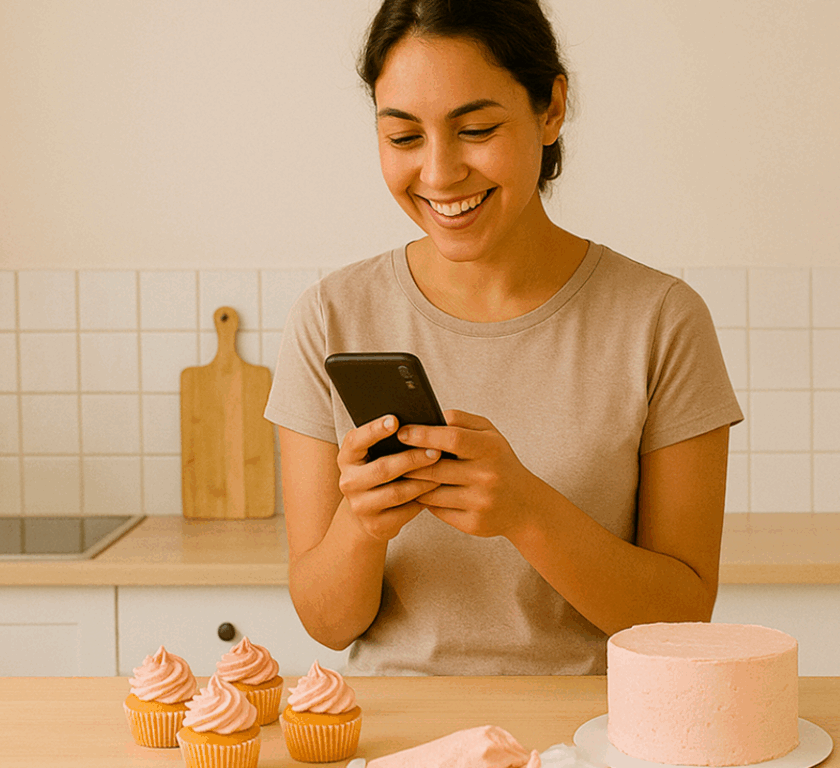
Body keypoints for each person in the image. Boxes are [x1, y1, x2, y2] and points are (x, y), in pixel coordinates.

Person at [263, 0, 743, 676]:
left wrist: (526, 511)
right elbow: (324, 622)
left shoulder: (661, 319)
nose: (438, 173)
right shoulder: (331, 316)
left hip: (594, 738)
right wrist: (363, 526)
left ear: (551, 109)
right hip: (403, 739)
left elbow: (683, 619)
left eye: (476, 129)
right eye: (404, 138)